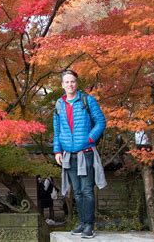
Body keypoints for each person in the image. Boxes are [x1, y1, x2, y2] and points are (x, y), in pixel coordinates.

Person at [53, 69, 107, 239]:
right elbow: (57, 129)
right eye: (67, 82)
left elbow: (101, 121)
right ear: (62, 85)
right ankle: (82, 223)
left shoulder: (87, 100)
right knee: (76, 191)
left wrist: (90, 138)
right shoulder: (59, 104)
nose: (70, 84)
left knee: (87, 190)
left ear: (77, 83)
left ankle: (90, 224)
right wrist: (57, 150)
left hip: (86, 152)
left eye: (73, 81)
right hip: (68, 154)